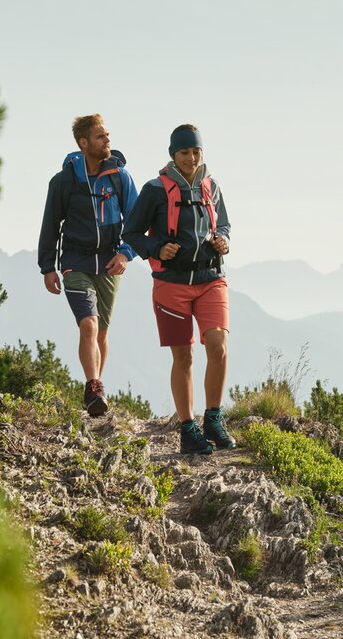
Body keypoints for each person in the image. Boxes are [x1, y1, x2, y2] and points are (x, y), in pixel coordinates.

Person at [124, 124, 233, 455]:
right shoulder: (155, 190)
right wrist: (157, 249)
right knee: (183, 356)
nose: (192, 157)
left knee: (218, 346)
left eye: (196, 151)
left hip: (211, 278)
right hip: (171, 284)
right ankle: (188, 429)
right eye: (185, 152)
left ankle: (213, 419)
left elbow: (224, 224)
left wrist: (224, 240)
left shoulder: (212, 186)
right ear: (173, 154)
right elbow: (131, 233)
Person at [37, 114, 139, 418]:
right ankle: (93, 386)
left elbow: (136, 221)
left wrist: (125, 253)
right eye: (100, 136)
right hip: (75, 262)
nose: (107, 140)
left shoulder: (120, 177)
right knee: (89, 325)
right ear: (84, 143)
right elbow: (50, 225)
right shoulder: (64, 181)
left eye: (107, 135)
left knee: (101, 333)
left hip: (109, 263)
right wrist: (47, 267)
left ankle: (96, 391)